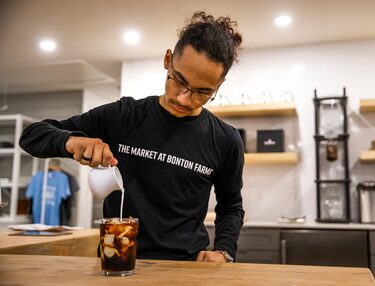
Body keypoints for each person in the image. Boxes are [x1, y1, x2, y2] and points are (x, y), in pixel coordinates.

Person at [19, 11, 245, 263]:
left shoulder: (226, 140)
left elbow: (231, 206)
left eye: (203, 92)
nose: (184, 98)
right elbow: (31, 135)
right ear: (168, 60)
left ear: (220, 84)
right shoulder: (124, 115)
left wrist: (224, 251)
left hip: (187, 268)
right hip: (116, 263)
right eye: (178, 80)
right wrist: (72, 140)